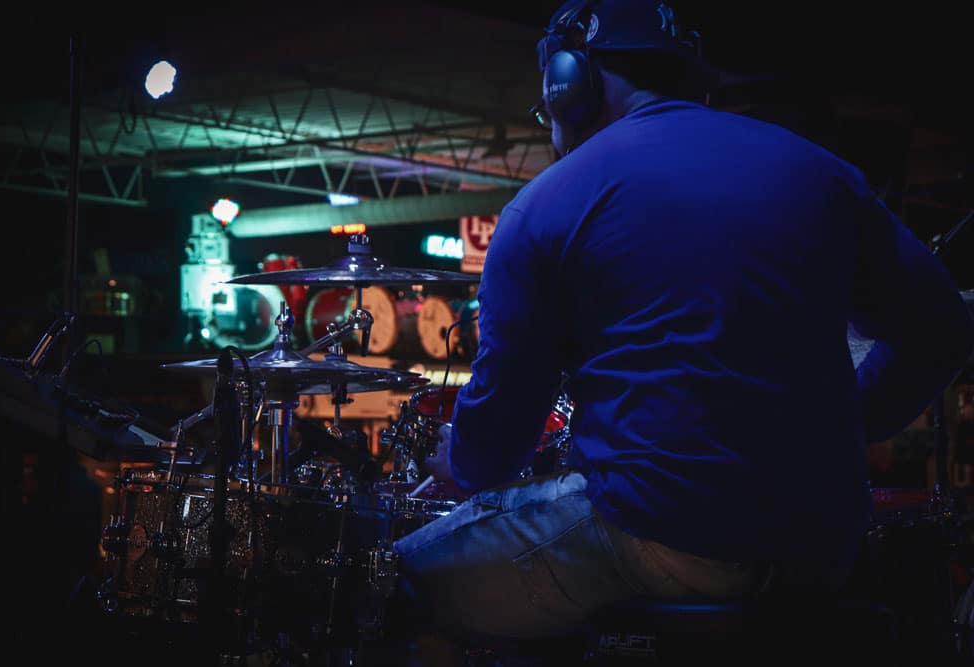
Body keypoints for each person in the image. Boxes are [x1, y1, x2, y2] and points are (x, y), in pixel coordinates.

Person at [390, 0, 974, 659]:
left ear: (566, 80)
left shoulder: (547, 204)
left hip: (660, 539)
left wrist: (458, 458)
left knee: (389, 583)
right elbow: (944, 328)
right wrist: (848, 418)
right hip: (825, 548)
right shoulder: (821, 174)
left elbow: (496, 445)